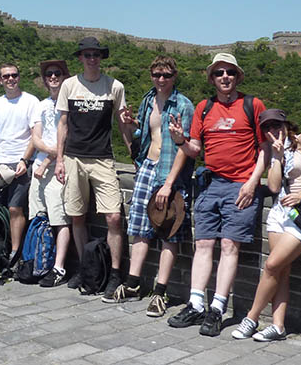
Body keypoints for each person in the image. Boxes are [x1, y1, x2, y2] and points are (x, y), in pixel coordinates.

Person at [166, 52, 267, 336]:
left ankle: (217, 309)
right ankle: (196, 304)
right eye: (219, 73)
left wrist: (252, 182)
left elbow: (264, 149)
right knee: (204, 244)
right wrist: (180, 140)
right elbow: (195, 150)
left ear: (237, 77)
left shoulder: (252, 105)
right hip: (210, 184)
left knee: (229, 246)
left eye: (230, 73)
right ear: (212, 78)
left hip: (241, 185)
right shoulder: (204, 108)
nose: (225, 77)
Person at [106, 56, 194, 319]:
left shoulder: (184, 105)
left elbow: (185, 147)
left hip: (171, 173)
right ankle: (133, 283)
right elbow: (140, 137)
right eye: (156, 74)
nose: (161, 79)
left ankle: (160, 291)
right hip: (147, 167)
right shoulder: (148, 101)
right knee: (140, 229)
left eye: (166, 75)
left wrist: (169, 183)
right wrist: (127, 122)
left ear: (174, 76)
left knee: (169, 231)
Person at [231, 109, 301, 341]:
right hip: (280, 213)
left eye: (277, 125)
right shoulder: (272, 150)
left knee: (272, 265)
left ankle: (251, 318)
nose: (273, 130)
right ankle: (278, 326)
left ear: (286, 125)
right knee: (281, 271)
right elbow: (274, 187)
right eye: (267, 128)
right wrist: (275, 157)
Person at [54, 37, 134, 297]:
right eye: (87, 55)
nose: (92, 59)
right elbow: (63, 125)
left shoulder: (114, 87)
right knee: (77, 216)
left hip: (102, 158)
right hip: (74, 157)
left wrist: (134, 153)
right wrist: (59, 159)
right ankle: (85, 268)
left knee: (113, 217)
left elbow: (123, 124)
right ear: (80, 58)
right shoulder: (69, 85)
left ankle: (114, 273)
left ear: (101, 58)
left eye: (96, 55)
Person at [0, 63, 41, 265]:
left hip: (21, 164)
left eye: (14, 75)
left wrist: (25, 160)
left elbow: (35, 136)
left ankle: (15, 254)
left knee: (16, 209)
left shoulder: (31, 102)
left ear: (19, 77)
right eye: (6, 76)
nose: (10, 79)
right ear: (0, 80)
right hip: (0, 164)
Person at [28, 60, 76, 287]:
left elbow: (67, 140)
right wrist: (45, 156)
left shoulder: (71, 105)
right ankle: (40, 262)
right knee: (39, 217)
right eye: (49, 74)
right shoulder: (41, 104)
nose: (53, 77)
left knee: (59, 219)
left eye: (57, 73)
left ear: (65, 76)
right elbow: (36, 138)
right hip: (40, 167)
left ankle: (59, 267)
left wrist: (48, 160)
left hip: (59, 166)